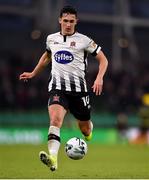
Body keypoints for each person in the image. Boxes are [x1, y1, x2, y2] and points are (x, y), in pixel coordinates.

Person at [19, 5, 108, 171]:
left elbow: (104, 60)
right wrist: (33, 73)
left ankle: (88, 132)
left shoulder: (84, 40)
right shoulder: (51, 39)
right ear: (60, 20)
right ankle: (53, 158)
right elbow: (46, 57)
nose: (68, 24)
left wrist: (99, 78)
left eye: (71, 21)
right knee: (55, 120)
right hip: (58, 89)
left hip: (79, 92)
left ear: (76, 22)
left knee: (85, 129)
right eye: (65, 21)